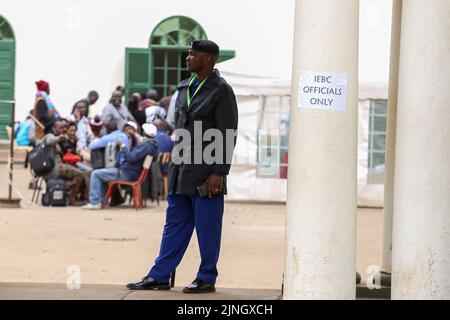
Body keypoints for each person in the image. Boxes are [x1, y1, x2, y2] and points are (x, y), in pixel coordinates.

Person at [127, 40, 239, 294]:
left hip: (206, 171)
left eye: (192, 54)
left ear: (208, 59)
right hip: (181, 169)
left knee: (208, 227)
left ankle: (206, 276)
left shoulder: (221, 90)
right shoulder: (184, 87)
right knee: (174, 225)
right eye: (188, 53)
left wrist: (219, 172)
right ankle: (160, 275)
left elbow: (228, 133)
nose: (187, 58)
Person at [82, 123, 158, 210]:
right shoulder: (152, 146)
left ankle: (95, 202)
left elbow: (130, 158)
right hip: (132, 172)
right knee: (102, 173)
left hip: (127, 173)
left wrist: (123, 146)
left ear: (145, 133)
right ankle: (100, 200)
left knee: (96, 174)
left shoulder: (145, 145)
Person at [40, 120, 87, 205]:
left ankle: (77, 195)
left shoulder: (61, 139)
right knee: (80, 174)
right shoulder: (49, 136)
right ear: (54, 128)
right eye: (60, 128)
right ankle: (72, 199)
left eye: (64, 127)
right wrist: (59, 138)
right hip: (54, 168)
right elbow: (50, 140)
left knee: (82, 172)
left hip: (56, 166)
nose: (63, 129)